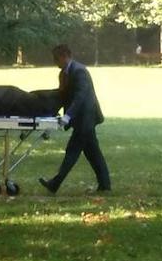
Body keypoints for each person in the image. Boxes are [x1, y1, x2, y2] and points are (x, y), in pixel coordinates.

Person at [39, 44, 110, 194]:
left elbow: (80, 96)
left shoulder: (79, 71)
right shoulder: (65, 73)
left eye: (56, 58)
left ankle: (55, 183)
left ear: (65, 56)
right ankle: (105, 185)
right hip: (80, 119)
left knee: (72, 151)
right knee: (93, 153)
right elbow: (63, 95)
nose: (54, 62)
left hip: (86, 118)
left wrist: (68, 115)